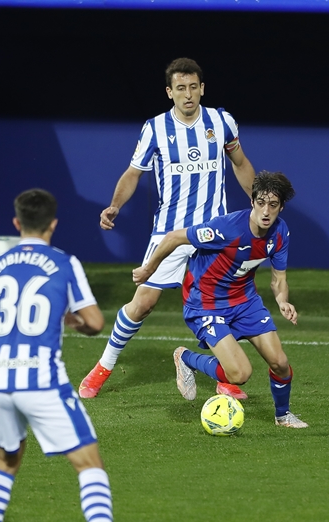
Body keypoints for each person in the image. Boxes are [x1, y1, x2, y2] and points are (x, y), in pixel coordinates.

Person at [79, 57, 255, 401]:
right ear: (169, 92)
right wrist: (115, 205)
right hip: (169, 232)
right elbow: (133, 173)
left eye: (193, 87)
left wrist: (256, 203)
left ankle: (226, 377)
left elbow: (240, 162)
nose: (188, 94)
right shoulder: (155, 129)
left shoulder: (222, 122)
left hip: (214, 233)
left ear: (202, 89)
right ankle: (103, 366)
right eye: (180, 88)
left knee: (226, 302)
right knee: (143, 302)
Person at [0, 189, 113, 522]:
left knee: (5, 462)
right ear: (53, 224)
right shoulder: (65, 263)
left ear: (16, 223)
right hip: (42, 382)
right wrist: (74, 321)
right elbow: (96, 323)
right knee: (90, 465)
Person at [133, 171, 308, 428]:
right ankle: (186, 358)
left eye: (273, 205)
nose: (266, 211)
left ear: (281, 207)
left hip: (245, 301)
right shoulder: (227, 228)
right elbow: (173, 238)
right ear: (252, 201)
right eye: (261, 202)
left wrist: (283, 301)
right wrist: (148, 269)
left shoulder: (280, 232)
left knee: (280, 363)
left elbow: (278, 279)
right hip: (206, 303)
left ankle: (283, 416)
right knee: (239, 374)